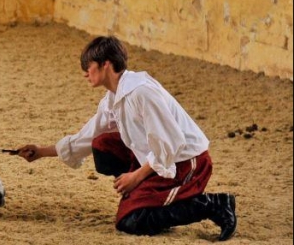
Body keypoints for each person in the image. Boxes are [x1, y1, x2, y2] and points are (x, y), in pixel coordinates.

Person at [17, 36, 237, 241]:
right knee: (101, 145)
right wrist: (41, 151)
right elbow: (88, 136)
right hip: (160, 158)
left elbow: (170, 142)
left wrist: (136, 177)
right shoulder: (113, 98)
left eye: (89, 65)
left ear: (106, 64)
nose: (85, 72)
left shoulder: (141, 92)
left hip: (187, 162)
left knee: (129, 222)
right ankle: (143, 195)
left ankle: (213, 205)